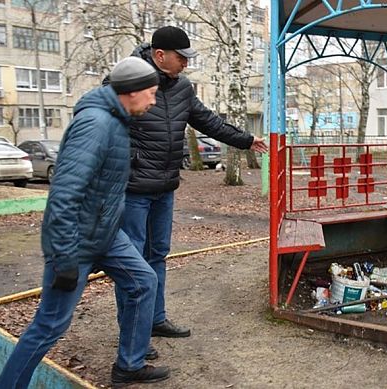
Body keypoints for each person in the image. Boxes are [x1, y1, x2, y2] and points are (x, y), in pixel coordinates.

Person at [0, 57, 172, 389]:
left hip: (104, 234)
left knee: (143, 282)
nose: (153, 100)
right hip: (75, 242)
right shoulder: (95, 124)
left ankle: (129, 366)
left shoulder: (117, 121)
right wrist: (63, 258)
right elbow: (63, 194)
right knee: (50, 325)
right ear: (131, 92)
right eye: (150, 93)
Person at [113, 26, 268, 356]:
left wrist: (246, 140)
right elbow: (105, 122)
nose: (186, 63)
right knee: (133, 262)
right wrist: (127, 161)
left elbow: (208, 121)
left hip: (165, 187)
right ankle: (133, 334)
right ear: (160, 55)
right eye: (181, 57)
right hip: (135, 189)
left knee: (157, 255)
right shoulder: (129, 80)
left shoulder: (182, 87)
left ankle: (154, 320)